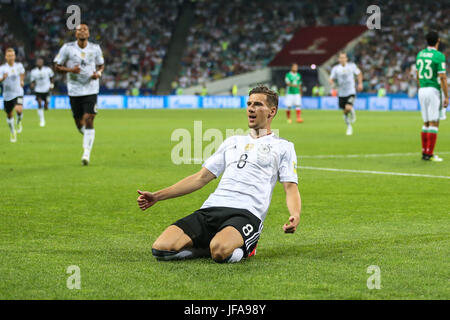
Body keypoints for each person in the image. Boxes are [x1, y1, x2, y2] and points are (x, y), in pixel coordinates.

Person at [137, 85, 301, 263]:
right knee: (161, 249)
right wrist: (157, 196)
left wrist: (295, 214)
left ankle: (246, 247)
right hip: (212, 208)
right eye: (249, 104)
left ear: (272, 111)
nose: (251, 108)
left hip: (247, 213)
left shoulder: (284, 147)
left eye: (258, 104)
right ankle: (209, 246)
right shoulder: (232, 141)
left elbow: (290, 187)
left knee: (220, 251)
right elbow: (200, 178)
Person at [54, 23, 104, 165]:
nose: (82, 31)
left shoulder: (95, 48)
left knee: (89, 119)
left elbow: (101, 65)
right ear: (75, 34)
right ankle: (88, 136)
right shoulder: (67, 48)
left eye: (85, 29)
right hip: (74, 90)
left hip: (91, 89)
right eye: (79, 30)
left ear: (88, 33)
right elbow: (56, 66)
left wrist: (98, 73)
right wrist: (70, 70)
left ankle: (86, 153)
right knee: (79, 123)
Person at [416, 31, 448, 162]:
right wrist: (446, 96)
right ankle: (430, 153)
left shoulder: (420, 54)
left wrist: (421, 87)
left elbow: (417, 74)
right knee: (434, 122)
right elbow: (442, 77)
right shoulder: (439, 56)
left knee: (426, 122)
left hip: (422, 89)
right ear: (438, 41)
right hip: (433, 90)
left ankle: (424, 152)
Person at [329, 52, 363, 135]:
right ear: (339, 59)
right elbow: (331, 78)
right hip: (341, 93)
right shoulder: (336, 69)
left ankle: (351, 110)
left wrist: (360, 83)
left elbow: (359, 73)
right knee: (344, 111)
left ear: (346, 59)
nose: (342, 59)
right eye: (341, 58)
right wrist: (332, 83)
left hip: (351, 91)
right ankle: (349, 127)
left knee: (348, 107)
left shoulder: (352, 66)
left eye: (344, 57)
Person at [0, 48, 25, 143]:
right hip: (7, 95)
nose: (11, 57)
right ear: (6, 57)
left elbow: (22, 73)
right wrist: (3, 78)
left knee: (19, 110)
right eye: (9, 56)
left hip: (18, 92)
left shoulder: (19, 66)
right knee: (9, 115)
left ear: (15, 56)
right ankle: (12, 131)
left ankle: (18, 121)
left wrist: (22, 80)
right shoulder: (2, 68)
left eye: (12, 55)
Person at [30, 57, 54, 127]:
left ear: (43, 63)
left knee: (46, 107)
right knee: (39, 103)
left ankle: (47, 103)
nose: (39, 63)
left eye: (40, 62)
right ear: (36, 63)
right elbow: (32, 81)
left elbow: (52, 78)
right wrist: (32, 85)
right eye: (38, 62)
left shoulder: (48, 70)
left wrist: (52, 85)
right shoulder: (33, 71)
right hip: (38, 90)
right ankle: (42, 120)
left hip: (47, 89)